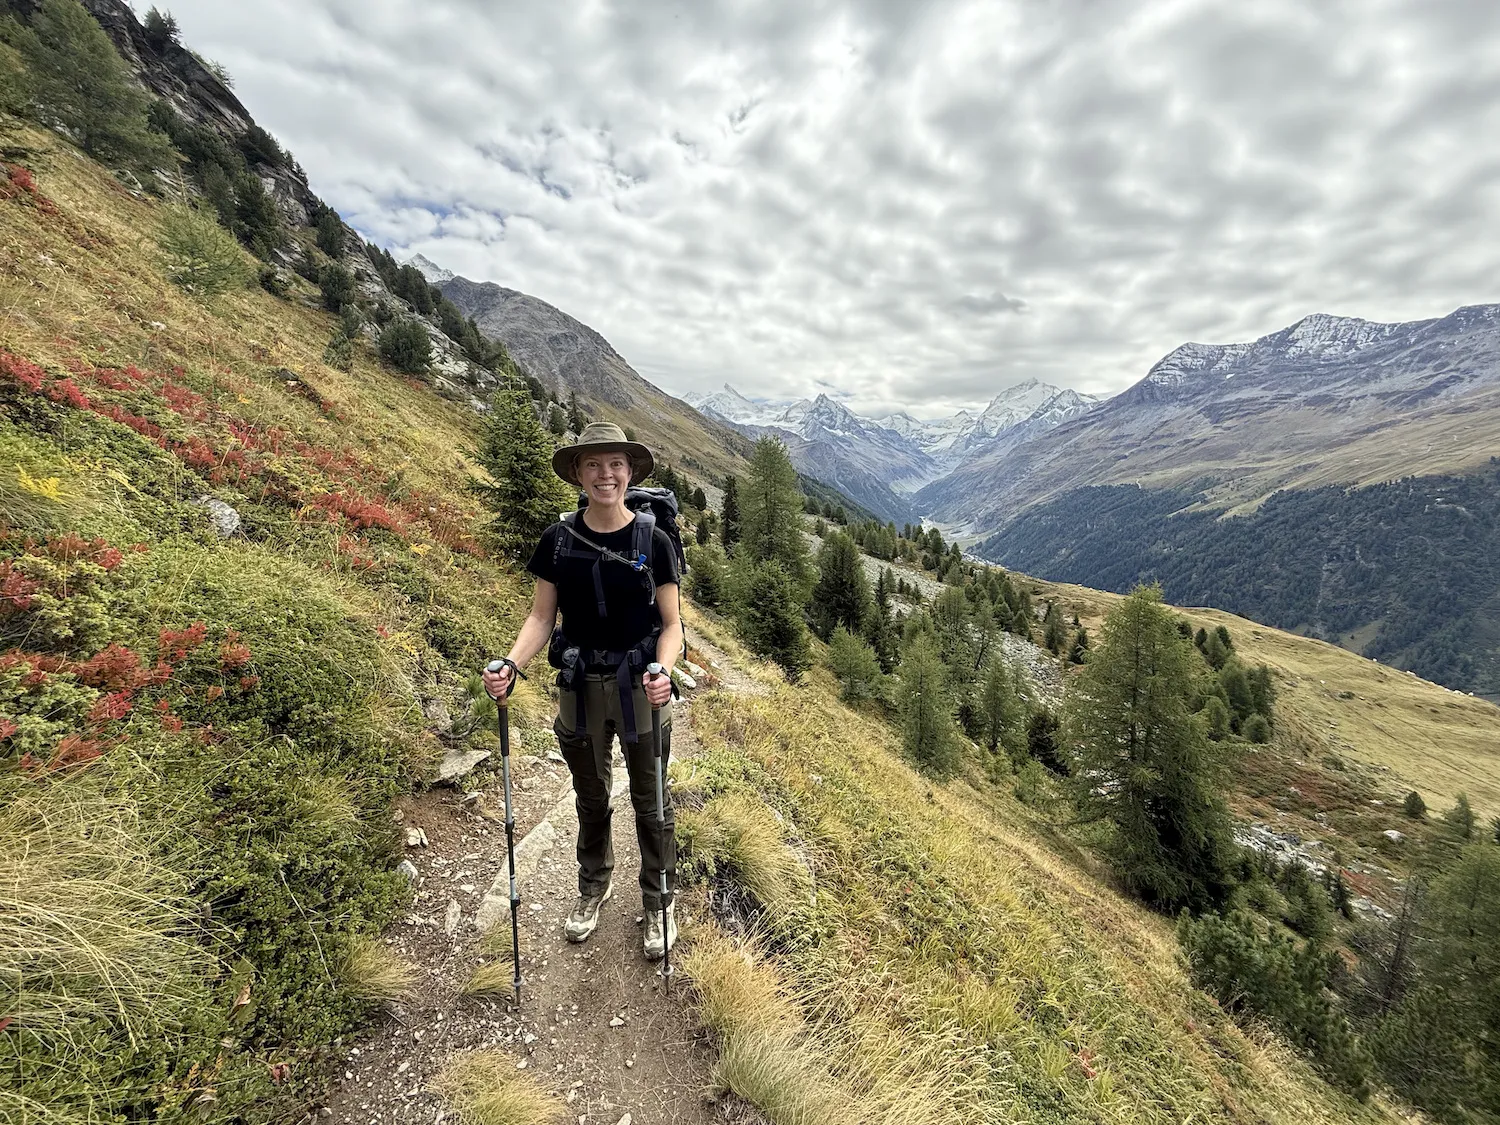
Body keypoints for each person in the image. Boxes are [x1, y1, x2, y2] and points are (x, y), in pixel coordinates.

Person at [481, 421, 682, 961]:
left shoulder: (653, 540)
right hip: (578, 683)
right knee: (591, 795)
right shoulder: (558, 540)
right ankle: (594, 884)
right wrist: (511, 664)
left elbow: (672, 625)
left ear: (630, 471)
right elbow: (541, 617)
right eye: (593, 464)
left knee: (651, 798)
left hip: (641, 685)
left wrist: (663, 671)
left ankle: (658, 899)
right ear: (577, 472)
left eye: (615, 463)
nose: (605, 474)